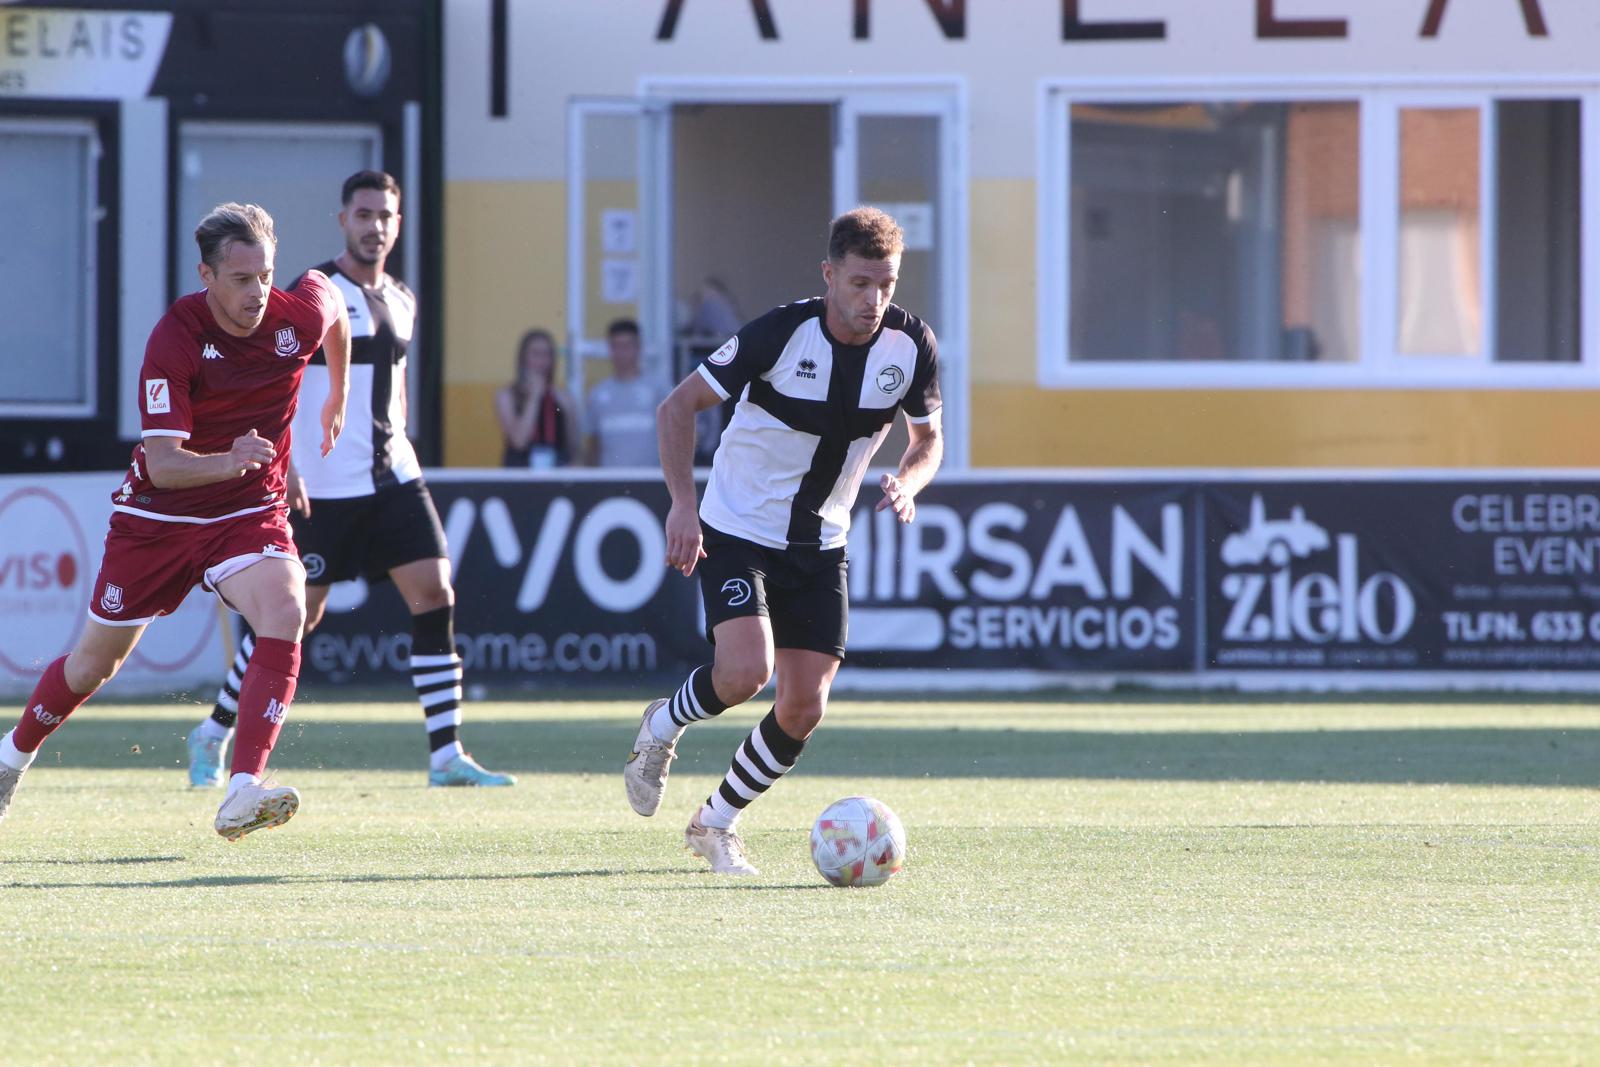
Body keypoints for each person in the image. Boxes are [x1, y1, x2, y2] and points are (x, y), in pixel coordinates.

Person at [0, 202, 350, 840]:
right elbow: (162, 466)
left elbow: (334, 308)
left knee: (286, 607)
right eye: (241, 279)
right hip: (157, 520)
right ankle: (11, 756)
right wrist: (233, 457)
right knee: (91, 668)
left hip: (246, 511)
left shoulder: (293, 315)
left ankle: (243, 787)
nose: (257, 292)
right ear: (207, 275)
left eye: (265, 276)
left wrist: (337, 395)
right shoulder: (177, 336)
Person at [624, 207, 944, 874]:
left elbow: (928, 439)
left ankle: (715, 822)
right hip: (738, 526)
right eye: (859, 283)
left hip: (822, 542)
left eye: (886, 284)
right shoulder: (780, 333)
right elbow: (675, 408)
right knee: (745, 672)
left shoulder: (910, 349)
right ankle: (664, 723)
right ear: (829, 275)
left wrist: (910, 480)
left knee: (804, 705)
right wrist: (683, 505)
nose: (873, 300)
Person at [185, 171, 515, 790]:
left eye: (385, 215)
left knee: (436, 593)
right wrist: (290, 467)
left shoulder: (402, 296)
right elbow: (268, 380)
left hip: (394, 476)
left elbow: (393, 392)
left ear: (397, 222)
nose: (375, 227)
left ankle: (446, 756)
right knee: (295, 620)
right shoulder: (316, 293)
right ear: (344, 221)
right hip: (323, 484)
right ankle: (213, 731)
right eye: (363, 214)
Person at [584, 318, 668, 467]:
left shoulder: (659, 390)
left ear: (638, 347)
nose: (622, 352)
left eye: (627, 345)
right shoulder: (597, 394)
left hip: (652, 482)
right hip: (610, 483)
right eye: (617, 346)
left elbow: (675, 437)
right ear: (610, 349)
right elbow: (593, 444)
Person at [496, 328, 580, 468]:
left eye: (547, 354)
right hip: (520, 475)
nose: (542, 361)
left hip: (556, 474)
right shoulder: (506, 396)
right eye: (536, 354)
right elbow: (518, 441)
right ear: (523, 358)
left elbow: (573, 447)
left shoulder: (563, 398)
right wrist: (535, 396)